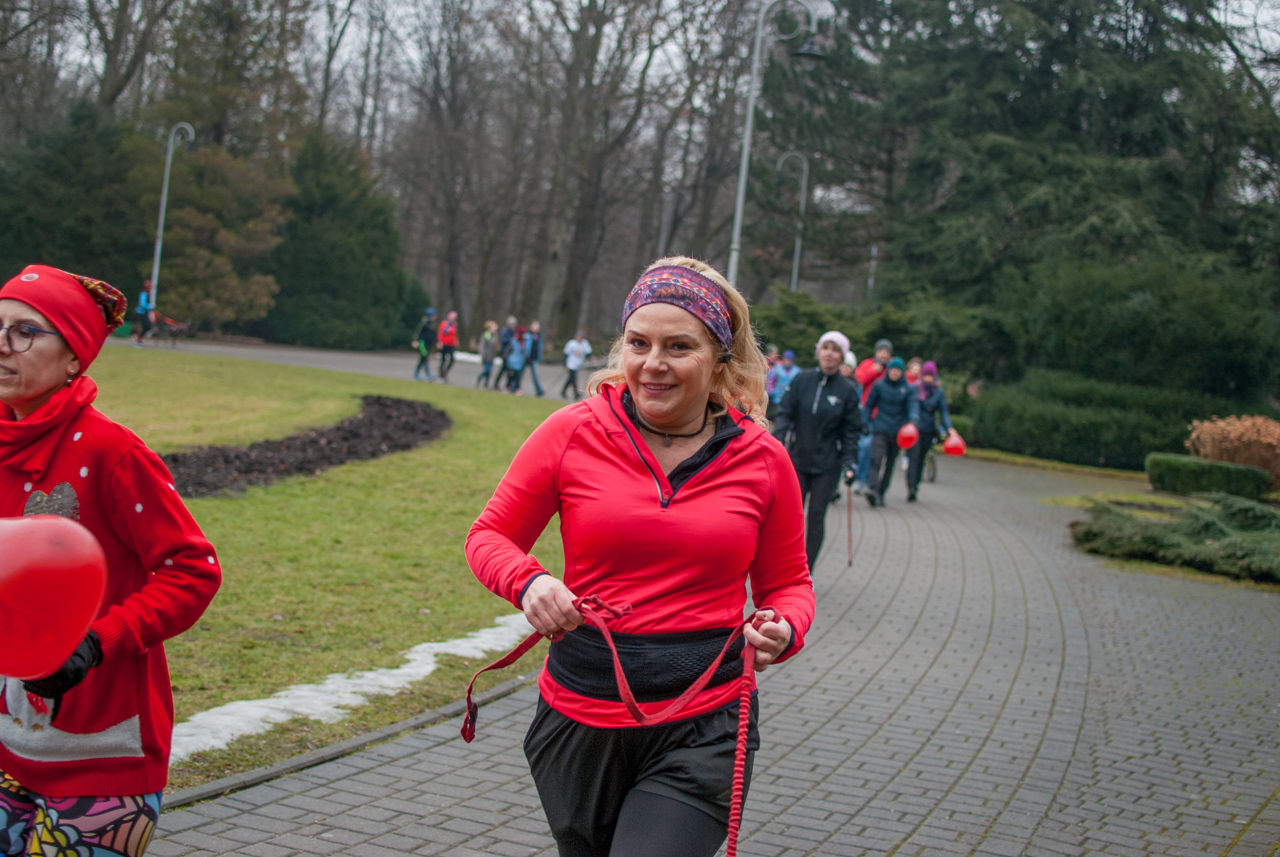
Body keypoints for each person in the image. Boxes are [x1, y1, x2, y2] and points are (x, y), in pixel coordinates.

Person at [465, 256, 814, 857]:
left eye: (678, 346)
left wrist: (786, 626)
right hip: (579, 713)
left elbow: (790, 584)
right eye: (638, 343)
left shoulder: (763, 458)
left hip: (707, 718)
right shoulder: (570, 432)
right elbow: (488, 536)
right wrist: (528, 583)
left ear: (719, 360)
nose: (653, 365)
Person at [0, 265, 221, 857]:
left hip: (101, 760)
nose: (2, 346)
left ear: (74, 357)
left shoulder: (113, 454)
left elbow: (193, 570)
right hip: (6, 748)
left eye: (24, 332)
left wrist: (98, 642)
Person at [772, 331, 863, 568]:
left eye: (835, 350)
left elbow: (852, 431)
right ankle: (783, 564)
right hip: (798, 460)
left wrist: (850, 462)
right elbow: (785, 411)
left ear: (842, 356)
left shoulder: (847, 391)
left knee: (815, 516)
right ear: (818, 351)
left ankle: (806, 569)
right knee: (792, 516)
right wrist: (778, 438)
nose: (829, 354)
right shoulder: (802, 380)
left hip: (827, 466)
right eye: (825, 348)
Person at [862, 356, 919, 507]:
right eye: (892, 370)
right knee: (876, 459)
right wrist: (865, 422)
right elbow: (869, 405)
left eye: (897, 371)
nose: (894, 373)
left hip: (898, 432)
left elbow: (913, 407)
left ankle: (881, 492)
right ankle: (872, 489)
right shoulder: (879, 385)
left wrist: (913, 423)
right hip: (880, 428)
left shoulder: (908, 389)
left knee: (890, 464)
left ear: (901, 372)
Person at [907, 360, 958, 502]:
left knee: (922, 459)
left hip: (928, 429)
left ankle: (916, 485)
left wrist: (950, 428)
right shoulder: (915, 388)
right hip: (915, 428)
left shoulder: (938, 392)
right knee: (914, 457)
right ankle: (910, 487)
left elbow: (943, 412)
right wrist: (912, 422)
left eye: (931, 376)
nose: (928, 379)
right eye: (926, 376)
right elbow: (912, 407)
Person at [851, 339, 893, 495]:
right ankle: (858, 478)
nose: (883, 354)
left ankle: (867, 480)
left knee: (872, 450)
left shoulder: (891, 369)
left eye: (886, 352)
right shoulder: (868, 364)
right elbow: (860, 380)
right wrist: (875, 370)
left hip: (882, 415)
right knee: (863, 446)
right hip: (865, 411)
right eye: (881, 351)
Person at [765, 349, 800, 421]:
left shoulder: (797, 371)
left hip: (790, 398)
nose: (787, 361)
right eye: (786, 359)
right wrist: (771, 392)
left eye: (789, 359)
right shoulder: (776, 369)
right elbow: (770, 382)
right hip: (777, 397)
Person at [561, 329, 592, 401]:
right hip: (571, 364)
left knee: (570, 379)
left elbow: (589, 352)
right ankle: (576, 393)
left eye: (581, 337)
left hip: (578, 364)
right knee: (574, 378)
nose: (580, 338)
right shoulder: (571, 343)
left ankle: (563, 391)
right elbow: (565, 354)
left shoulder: (585, 343)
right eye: (578, 336)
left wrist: (591, 357)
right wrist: (564, 364)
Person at [411, 308, 437, 381]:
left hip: (428, 344)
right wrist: (415, 340)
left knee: (423, 359)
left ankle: (416, 373)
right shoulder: (424, 323)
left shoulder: (432, 324)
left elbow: (434, 334)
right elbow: (417, 332)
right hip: (422, 343)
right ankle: (428, 374)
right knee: (425, 358)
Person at [505, 325, 528, 394]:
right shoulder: (514, 340)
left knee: (518, 376)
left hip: (520, 361)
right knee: (511, 375)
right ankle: (508, 387)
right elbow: (509, 350)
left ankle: (516, 388)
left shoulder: (524, 341)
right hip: (512, 361)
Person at [476, 320, 499, 389]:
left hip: (491, 356)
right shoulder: (486, 334)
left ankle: (486, 384)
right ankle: (478, 378)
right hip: (486, 356)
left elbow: (496, 346)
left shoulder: (495, 336)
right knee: (487, 370)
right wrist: (482, 354)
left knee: (490, 371)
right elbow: (482, 345)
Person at [437, 310, 459, 382]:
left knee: (452, 360)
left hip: (451, 345)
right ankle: (441, 375)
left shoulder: (455, 325)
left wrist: (456, 342)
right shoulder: (444, 324)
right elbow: (441, 333)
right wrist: (440, 342)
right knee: (443, 360)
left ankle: (445, 373)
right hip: (444, 344)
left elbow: (454, 335)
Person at [497, 316, 518, 389]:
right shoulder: (505, 331)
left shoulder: (514, 331)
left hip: (511, 353)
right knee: (505, 369)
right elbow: (503, 340)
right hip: (505, 353)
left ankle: (507, 385)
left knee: (507, 370)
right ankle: (502, 384)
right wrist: (511, 339)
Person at [527, 320, 546, 397]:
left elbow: (539, 348)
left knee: (535, 375)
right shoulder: (527, 335)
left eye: (537, 327)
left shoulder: (538, 336)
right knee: (519, 374)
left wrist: (539, 357)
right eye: (534, 326)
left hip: (534, 358)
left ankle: (539, 390)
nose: (536, 328)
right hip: (527, 357)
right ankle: (514, 387)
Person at [132, 281, 153, 347]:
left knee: (147, 327)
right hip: (142, 313)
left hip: (145, 313)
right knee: (147, 326)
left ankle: (138, 337)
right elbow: (142, 304)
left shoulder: (146, 294)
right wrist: (150, 306)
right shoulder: (143, 294)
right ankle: (138, 338)